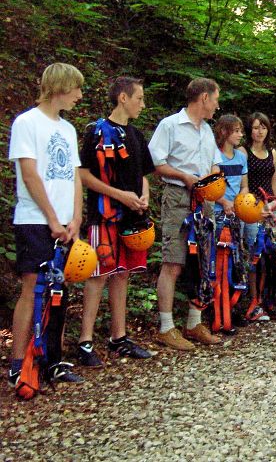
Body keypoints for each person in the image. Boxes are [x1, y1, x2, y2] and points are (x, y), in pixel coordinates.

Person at [8, 63, 85, 386]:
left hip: (66, 225)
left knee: (59, 290)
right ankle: (17, 364)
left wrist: (76, 219)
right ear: (60, 87)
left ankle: (52, 359)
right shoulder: (27, 123)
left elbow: (75, 177)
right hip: (35, 220)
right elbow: (30, 174)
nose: (80, 96)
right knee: (33, 288)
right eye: (77, 88)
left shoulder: (67, 129)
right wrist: (52, 219)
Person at [76, 77, 155, 368]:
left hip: (133, 219)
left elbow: (145, 174)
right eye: (139, 98)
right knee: (98, 275)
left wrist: (143, 196)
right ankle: (85, 342)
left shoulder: (136, 135)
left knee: (122, 274)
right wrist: (120, 195)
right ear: (123, 98)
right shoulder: (97, 132)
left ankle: (118, 337)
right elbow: (84, 175)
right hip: (104, 215)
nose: (143, 105)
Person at [148, 78, 223, 351]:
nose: (217, 105)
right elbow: (156, 163)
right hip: (178, 197)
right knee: (173, 261)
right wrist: (184, 177)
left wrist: (212, 179)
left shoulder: (207, 131)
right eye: (215, 99)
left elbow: (215, 163)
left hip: (204, 200)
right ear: (204, 97)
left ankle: (194, 322)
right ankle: (166, 327)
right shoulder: (169, 125)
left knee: (202, 261)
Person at [239, 112, 276, 321]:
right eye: (256, 127)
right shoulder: (244, 151)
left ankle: (268, 298)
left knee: (270, 256)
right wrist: (256, 208)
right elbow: (243, 184)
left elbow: (274, 182)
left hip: (270, 207)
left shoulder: (271, 152)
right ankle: (254, 301)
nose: (260, 131)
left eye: (263, 127)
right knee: (254, 256)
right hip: (251, 209)